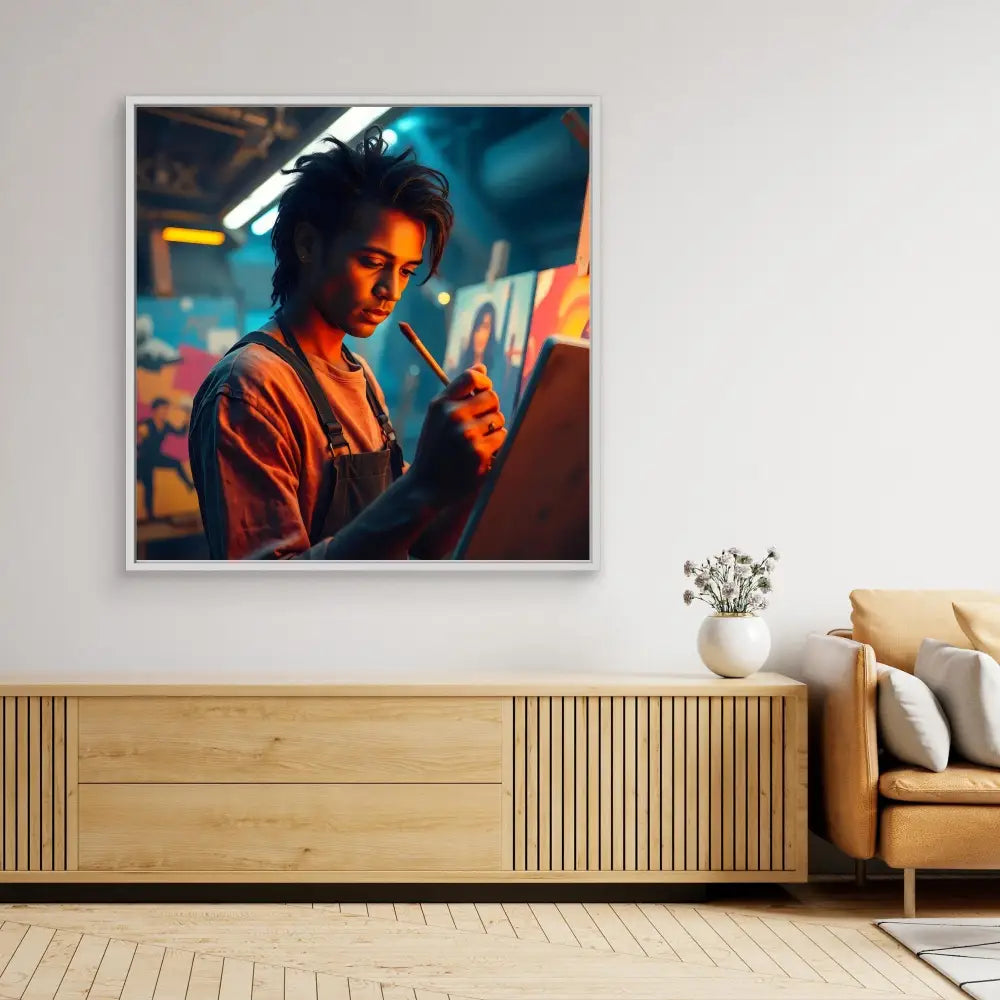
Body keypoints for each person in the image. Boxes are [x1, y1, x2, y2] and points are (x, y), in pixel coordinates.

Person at [188, 126, 507, 560]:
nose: (390, 290)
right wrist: (425, 482)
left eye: (405, 271)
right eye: (373, 262)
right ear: (307, 244)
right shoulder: (251, 388)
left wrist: (473, 479)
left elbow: (421, 544)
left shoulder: (361, 377)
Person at [136, 397, 195, 520]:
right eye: (163, 409)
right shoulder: (146, 424)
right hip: (143, 460)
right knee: (148, 485)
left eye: (166, 409)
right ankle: (149, 515)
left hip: (156, 457)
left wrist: (187, 419)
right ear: (155, 410)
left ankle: (190, 485)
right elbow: (136, 439)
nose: (165, 412)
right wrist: (139, 436)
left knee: (176, 464)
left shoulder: (166, 425)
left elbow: (180, 432)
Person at [458, 301, 497, 373]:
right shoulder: (462, 366)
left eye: (485, 327)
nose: (480, 335)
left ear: (491, 333)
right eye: (477, 328)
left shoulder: (495, 371)